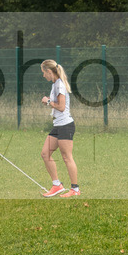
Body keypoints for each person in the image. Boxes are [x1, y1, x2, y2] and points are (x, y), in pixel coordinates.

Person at [39, 59, 80, 198]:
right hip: (58, 126)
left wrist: (48, 102)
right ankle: (57, 185)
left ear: (49, 72)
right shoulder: (55, 84)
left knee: (67, 157)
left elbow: (61, 107)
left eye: (44, 73)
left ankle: (75, 189)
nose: (43, 75)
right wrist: (50, 103)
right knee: (45, 153)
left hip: (65, 125)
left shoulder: (59, 85)